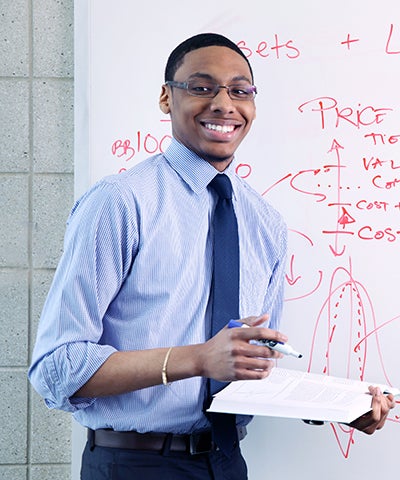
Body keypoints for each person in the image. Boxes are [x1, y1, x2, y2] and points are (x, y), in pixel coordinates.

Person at [28, 33, 395, 480]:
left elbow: (250, 365)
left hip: (225, 465)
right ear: (166, 98)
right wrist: (199, 358)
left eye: (240, 90)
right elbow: (57, 368)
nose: (224, 103)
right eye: (202, 87)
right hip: (134, 464)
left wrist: (339, 407)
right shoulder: (119, 203)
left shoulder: (265, 223)